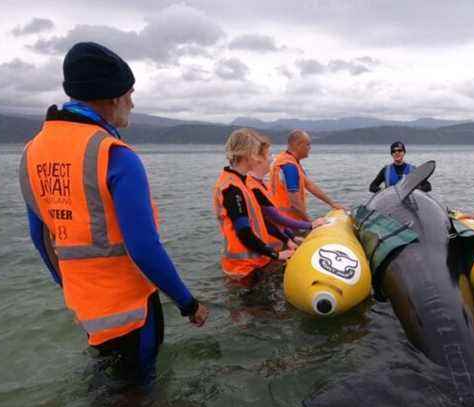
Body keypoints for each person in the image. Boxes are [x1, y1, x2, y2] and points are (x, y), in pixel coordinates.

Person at [18, 42, 208, 388]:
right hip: (132, 309)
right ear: (110, 97)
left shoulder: (31, 153)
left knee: (109, 391)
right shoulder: (114, 154)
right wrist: (187, 302)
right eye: (129, 94)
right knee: (140, 402)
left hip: (86, 309)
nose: (132, 103)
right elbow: (143, 246)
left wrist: (71, 286)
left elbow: (39, 237)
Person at [214, 128, 296, 286]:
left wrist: (286, 240)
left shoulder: (243, 182)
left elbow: (261, 223)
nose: (260, 159)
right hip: (243, 270)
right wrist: (276, 255)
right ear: (246, 154)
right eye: (258, 153)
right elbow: (244, 232)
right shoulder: (231, 188)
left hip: (257, 262)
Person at [246, 133, 325, 239]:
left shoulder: (262, 182)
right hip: (290, 223)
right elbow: (289, 207)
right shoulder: (289, 166)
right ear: (257, 159)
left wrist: (289, 238)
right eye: (268, 155)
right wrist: (310, 224)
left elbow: (309, 185)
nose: (271, 159)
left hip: (284, 228)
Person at [269, 129, 343, 221]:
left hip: (282, 218)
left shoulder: (286, 160)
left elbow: (309, 185)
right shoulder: (289, 166)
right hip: (288, 221)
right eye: (308, 144)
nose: (310, 148)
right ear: (298, 145)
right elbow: (294, 201)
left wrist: (332, 203)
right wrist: (310, 222)